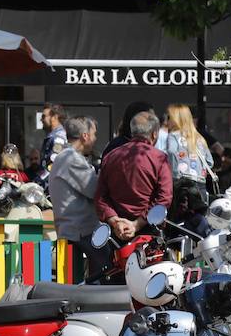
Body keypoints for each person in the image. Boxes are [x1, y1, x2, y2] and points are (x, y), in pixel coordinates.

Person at [96, 110, 173, 240]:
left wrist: (115, 221)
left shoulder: (111, 156)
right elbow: (164, 198)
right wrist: (136, 224)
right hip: (148, 231)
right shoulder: (159, 158)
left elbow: (100, 197)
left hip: (117, 232)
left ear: (133, 132)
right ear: (154, 134)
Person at [49, 116, 102, 282]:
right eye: (94, 134)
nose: (95, 139)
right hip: (80, 232)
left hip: (74, 230)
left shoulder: (65, 157)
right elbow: (96, 190)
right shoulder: (71, 159)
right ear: (85, 136)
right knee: (107, 271)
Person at [39, 102, 67, 173]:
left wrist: (39, 181)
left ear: (55, 117)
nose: (41, 120)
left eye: (43, 116)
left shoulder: (58, 138)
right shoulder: (53, 137)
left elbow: (53, 166)